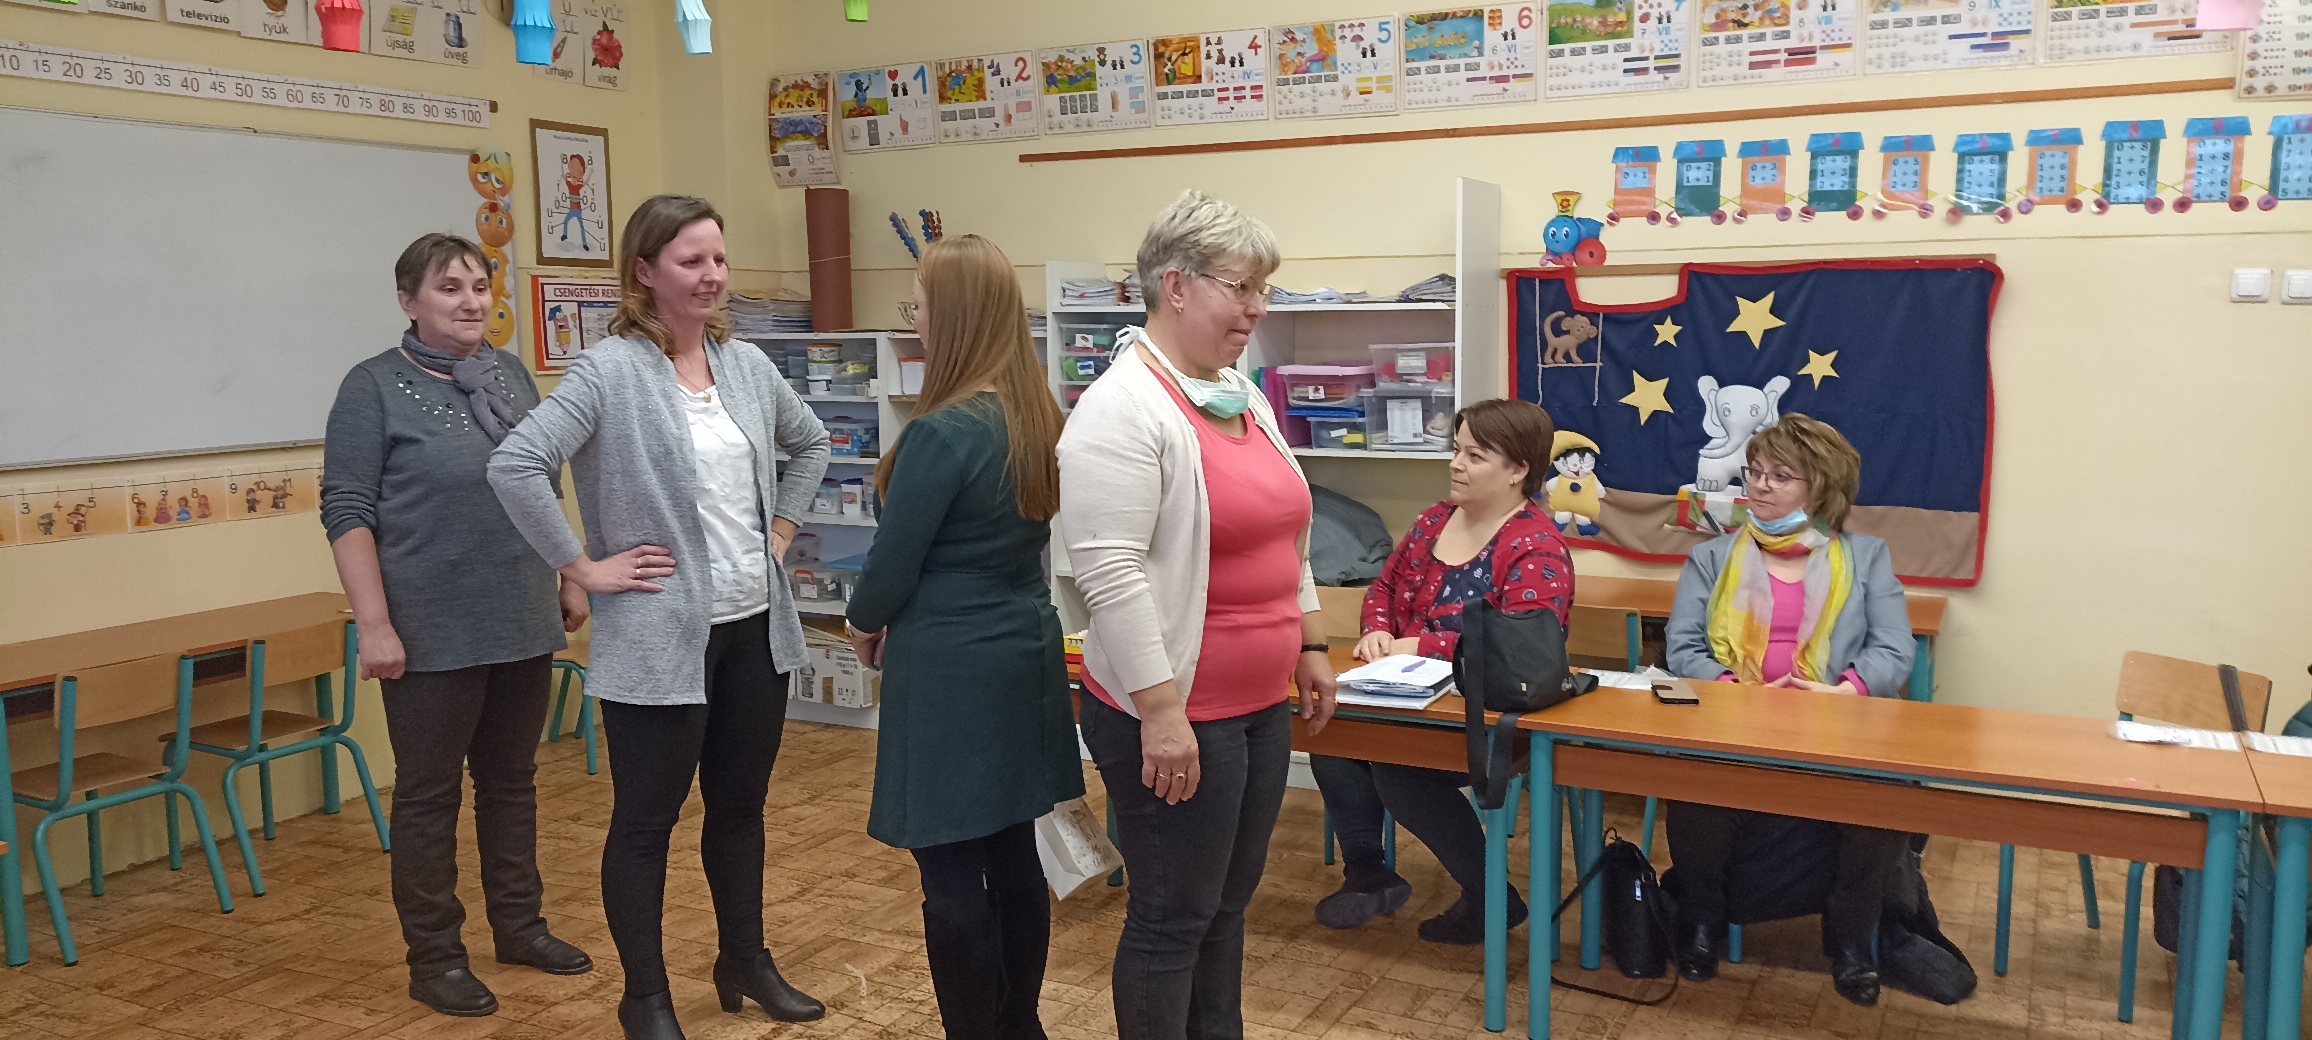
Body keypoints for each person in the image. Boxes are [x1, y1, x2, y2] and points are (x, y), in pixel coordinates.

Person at [487, 195, 831, 1040]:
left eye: (718, 258)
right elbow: (516, 464)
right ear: (645, 272)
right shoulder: (609, 371)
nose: (712, 275)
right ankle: (644, 996)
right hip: (658, 640)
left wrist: (781, 529)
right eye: (690, 261)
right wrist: (581, 566)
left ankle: (744, 959)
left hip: (754, 631)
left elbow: (813, 442)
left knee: (739, 810)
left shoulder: (745, 364)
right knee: (646, 823)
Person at [1058, 189, 1339, 1040]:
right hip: (1177, 711)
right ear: (1175, 286)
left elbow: (1289, 535)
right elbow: (1109, 574)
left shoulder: (1238, 394)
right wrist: (1161, 712)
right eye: (1240, 287)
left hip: (1255, 705)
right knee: (1172, 917)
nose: (1257, 308)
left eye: (1263, 288)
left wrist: (1312, 641)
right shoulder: (1121, 408)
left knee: (1225, 907)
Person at [321, 233, 592, 1018]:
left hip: (519, 614)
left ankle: (521, 927)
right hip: (428, 631)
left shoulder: (510, 375)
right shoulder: (371, 387)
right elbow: (347, 511)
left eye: (479, 285)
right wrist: (375, 624)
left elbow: (540, 484)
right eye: (449, 288)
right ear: (408, 301)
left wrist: (569, 573)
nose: (471, 301)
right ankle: (436, 957)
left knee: (512, 783)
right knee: (429, 796)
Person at [842, 235, 1082, 1040]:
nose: (915, 319)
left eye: (919, 306)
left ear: (953, 318)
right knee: (1013, 853)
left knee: (948, 872)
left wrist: (862, 623)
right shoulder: (1036, 417)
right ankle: (1020, 1024)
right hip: (1023, 648)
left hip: (949, 665)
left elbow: (891, 565)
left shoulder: (943, 432)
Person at [1661, 413, 1915, 1006]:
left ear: (1821, 487)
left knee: (1883, 795)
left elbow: (1893, 649)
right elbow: (1683, 648)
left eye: (1780, 476)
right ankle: (1701, 920)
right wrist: (1735, 688)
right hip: (1734, 718)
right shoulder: (1712, 557)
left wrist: (1844, 691)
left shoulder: (1866, 557)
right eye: (1754, 471)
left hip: (1836, 725)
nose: (1760, 485)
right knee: (1693, 782)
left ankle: (1851, 939)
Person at [1310, 399, 1573, 944]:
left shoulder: (1536, 545)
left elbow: (1523, 646)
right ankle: (1368, 873)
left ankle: (1491, 897)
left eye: (1475, 456)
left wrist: (1422, 645)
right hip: (1404, 697)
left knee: (1399, 770)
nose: (1455, 464)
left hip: (1487, 716)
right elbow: (1383, 588)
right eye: (1456, 450)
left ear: (1518, 469)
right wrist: (1377, 630)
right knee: (1330, 731)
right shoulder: (1434, 519)